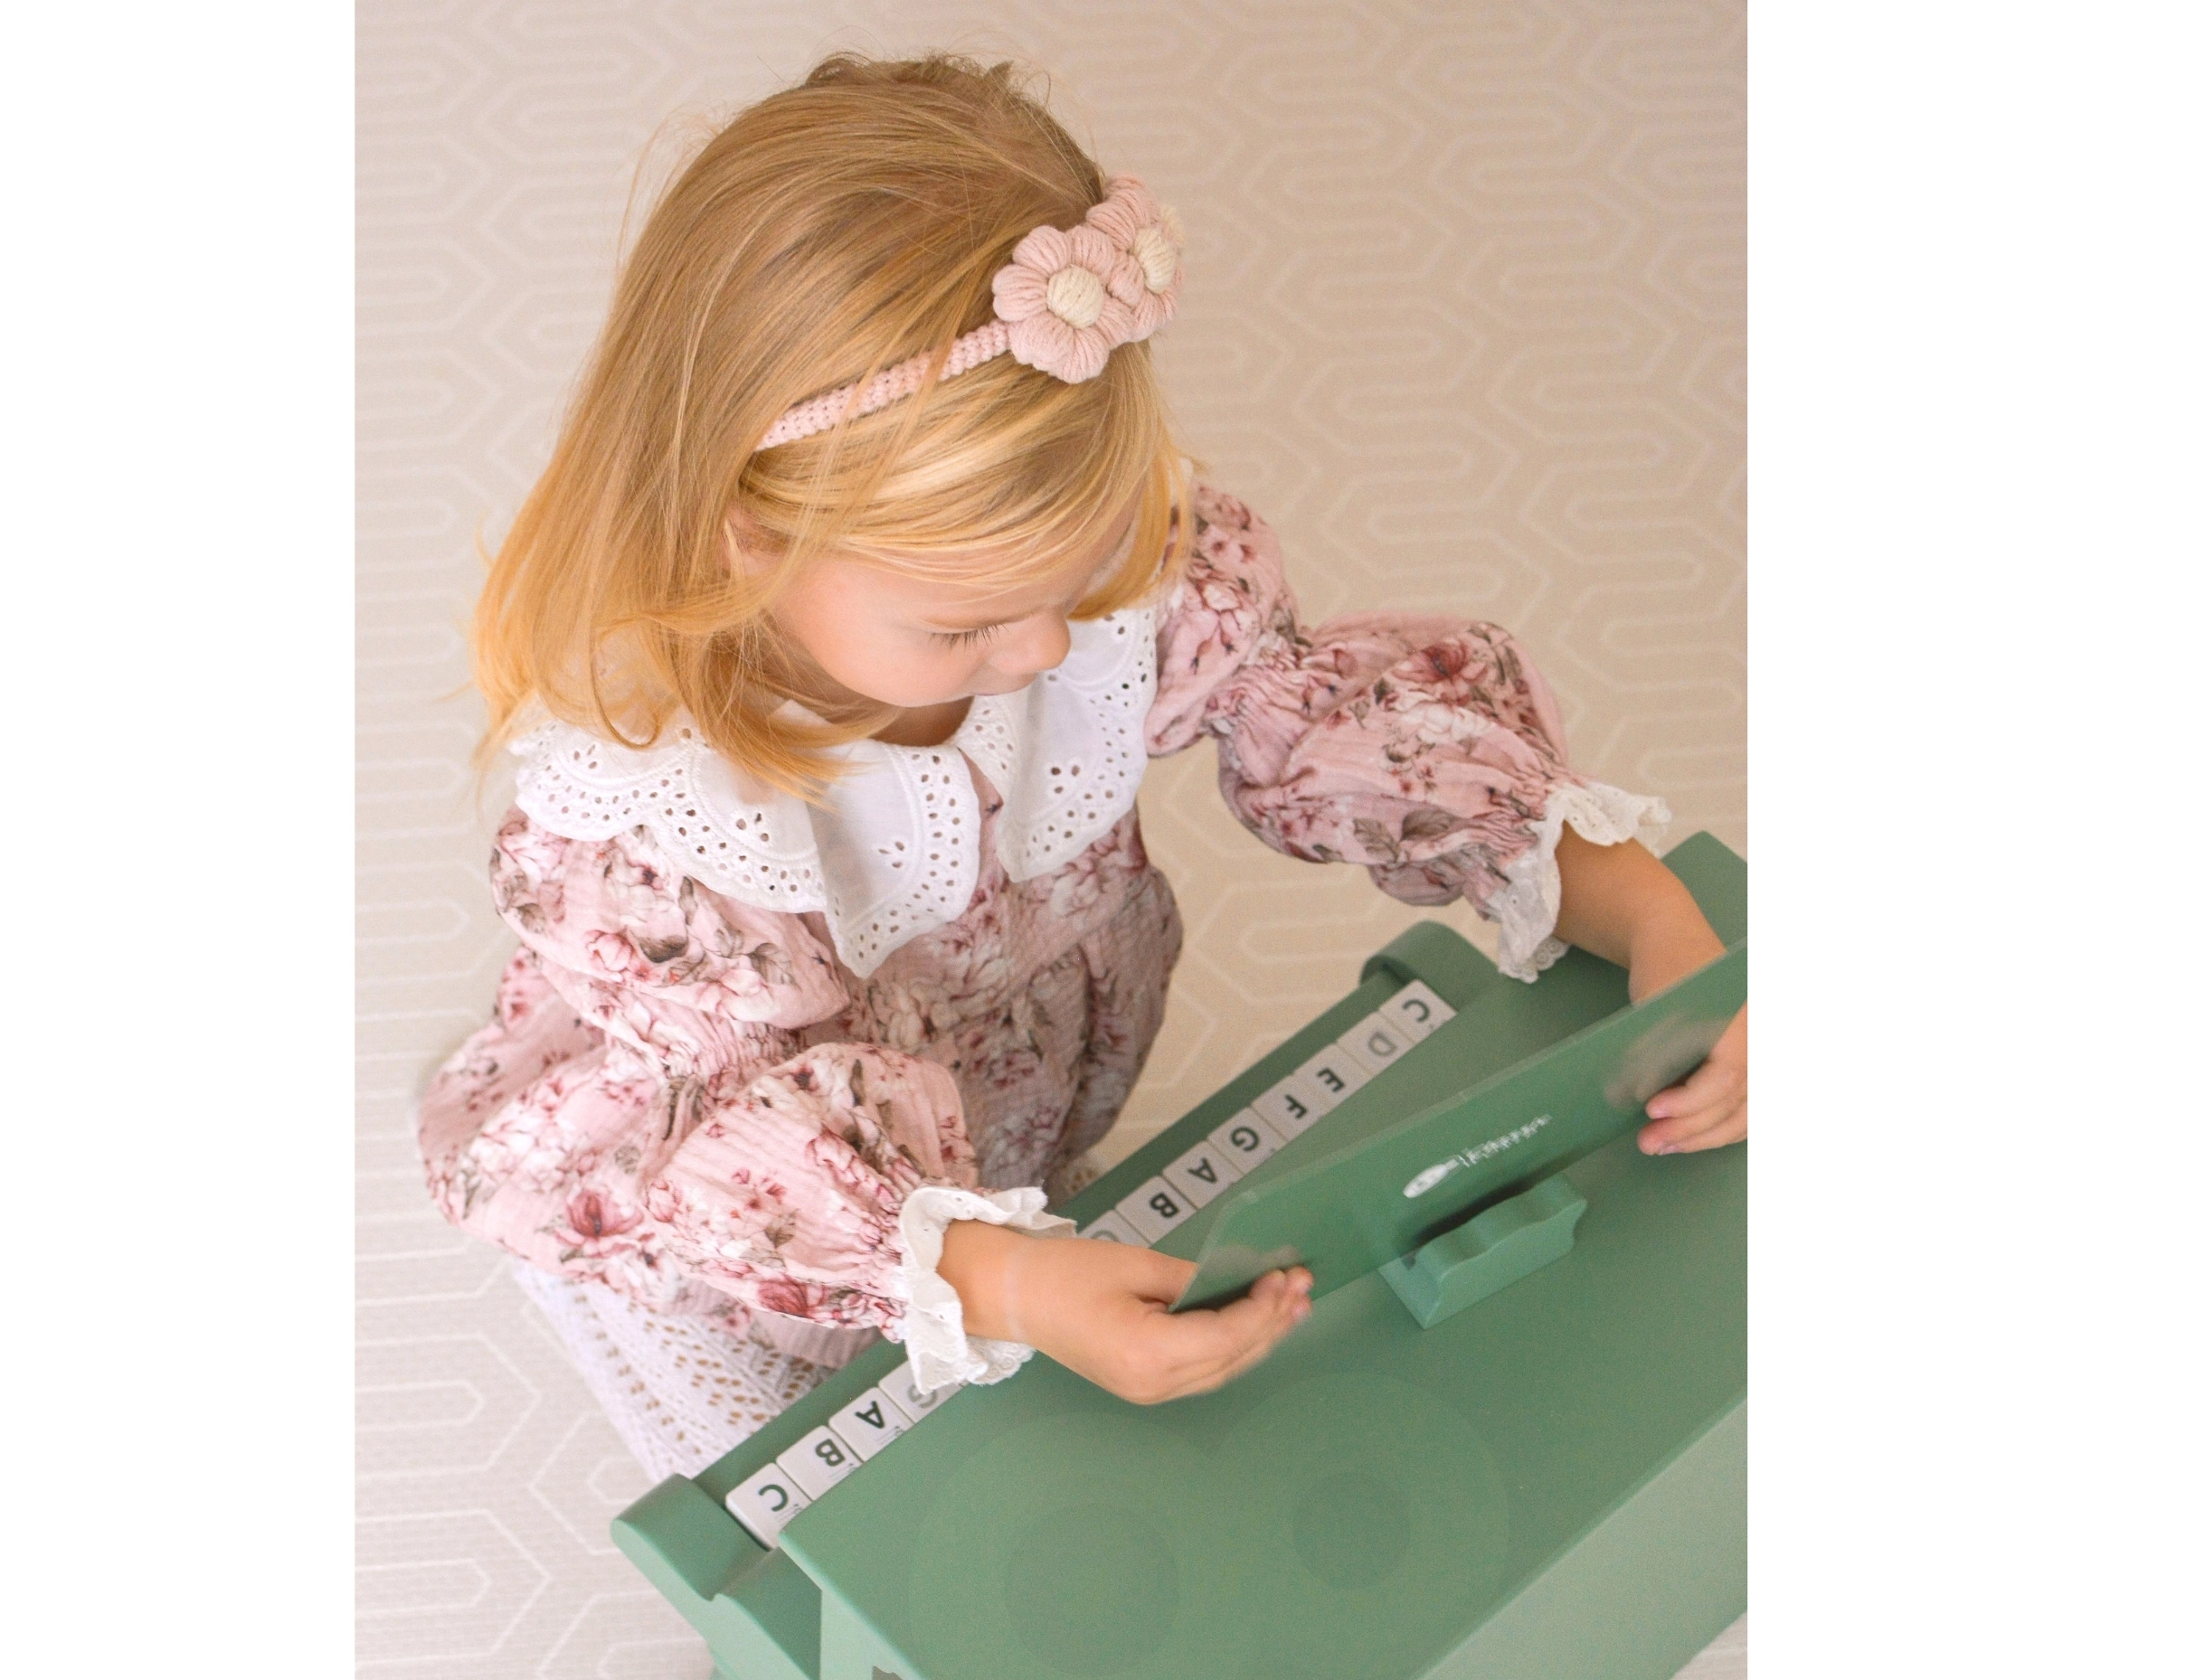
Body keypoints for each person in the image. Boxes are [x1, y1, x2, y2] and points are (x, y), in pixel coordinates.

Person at [418, 52, 1748, 1483]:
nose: (1050, 646)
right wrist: (998, 1281)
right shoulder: (659, 826)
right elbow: (750, 1139)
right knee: (788, 1448)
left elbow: (1346, 726)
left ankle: (982, 1236)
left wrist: (1653, 917)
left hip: (1000, 1088)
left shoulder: (1090, 587)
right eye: (967, 623)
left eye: (1081, 565)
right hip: (747, 1174)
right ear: (750, 538)